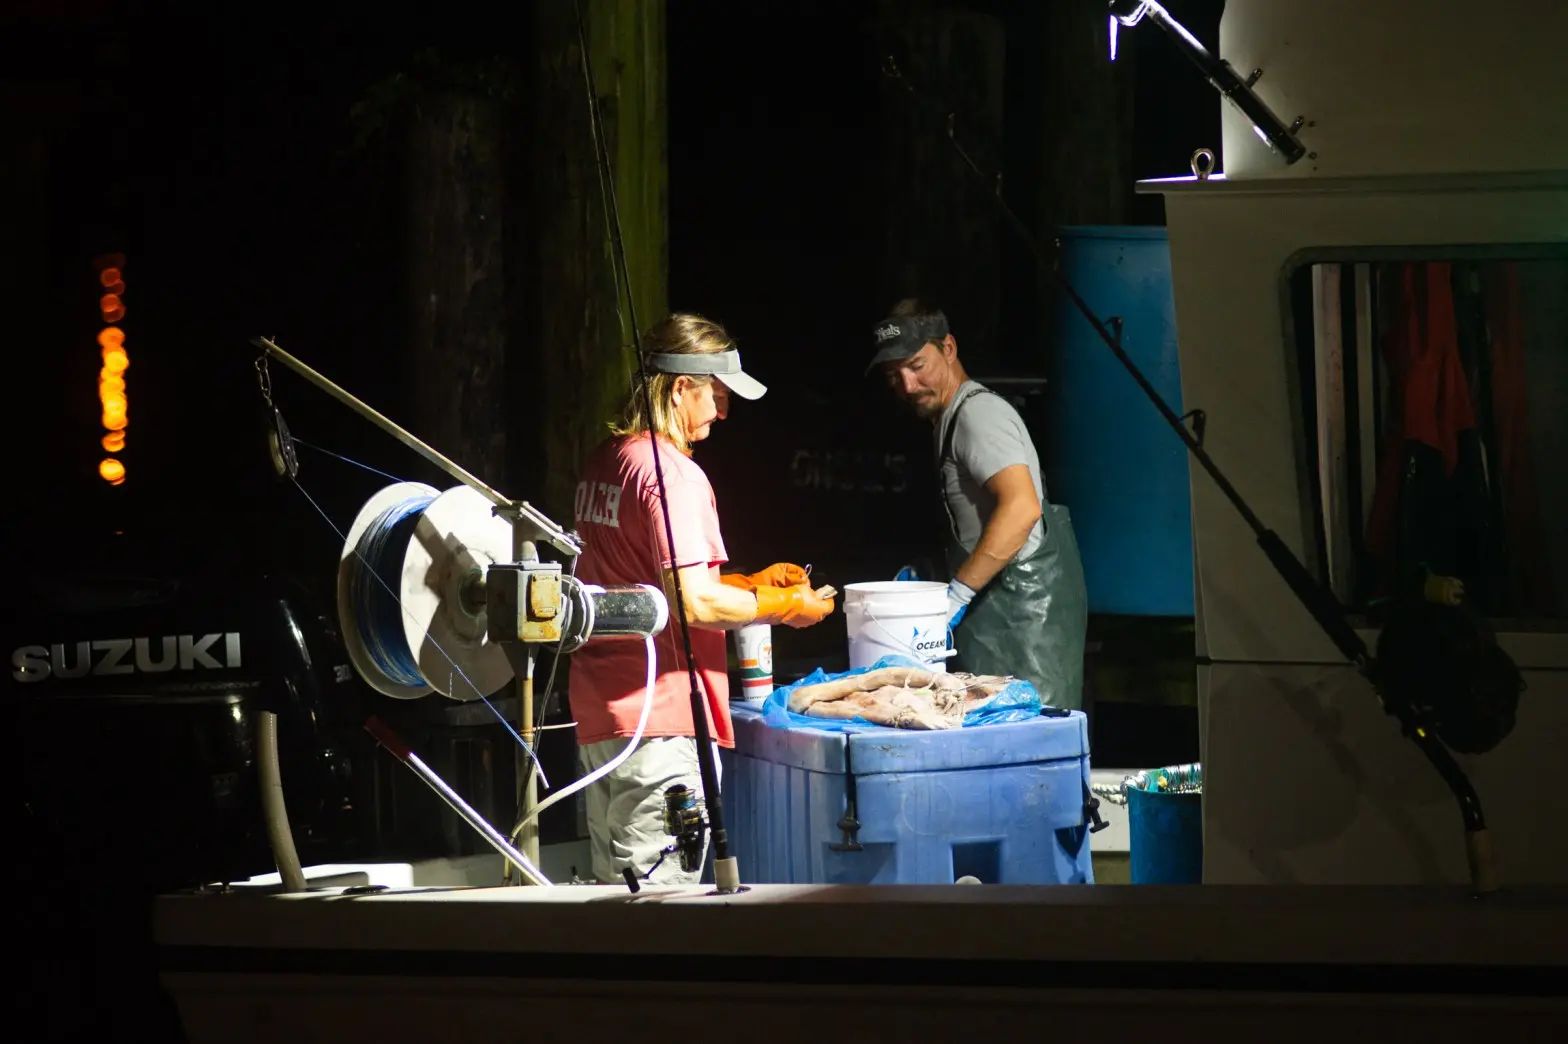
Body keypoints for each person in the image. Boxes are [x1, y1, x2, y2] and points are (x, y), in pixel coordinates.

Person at [569, 312, 835, 885]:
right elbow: (695, 607)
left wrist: (751, 582)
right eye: (715, 393)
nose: (722, 410)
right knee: (661, 905)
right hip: (661, 719)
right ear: (680, 387)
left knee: (610, 900)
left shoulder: (608, 460)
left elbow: (647, 584)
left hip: (602, 714)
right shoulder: (674, 476)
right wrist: (787, 606)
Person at [869, 298, 1088, 709]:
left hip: (1025, 625)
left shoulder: (978, 415)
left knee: (1027, 754)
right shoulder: (948, 418)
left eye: (917, 366)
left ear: (948, 348)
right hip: (997, 620)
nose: (907, 385)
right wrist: (933, 570)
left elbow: (1022, 509)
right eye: (892, 375)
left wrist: (957, 594)